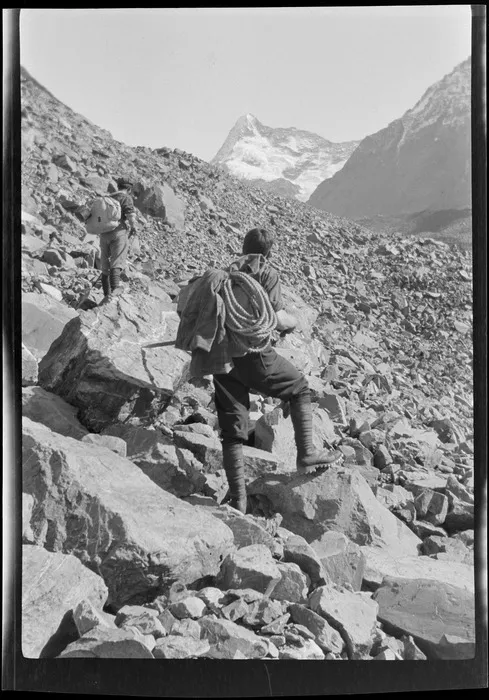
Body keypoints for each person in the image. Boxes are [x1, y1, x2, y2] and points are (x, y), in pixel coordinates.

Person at [176, 227, 342, 514]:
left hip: (222, 359)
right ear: (269, 252)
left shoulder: (225, 276)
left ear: (243, 247)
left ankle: (237, 500)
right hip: (254, 357)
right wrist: (294, 322)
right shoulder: (265, 273)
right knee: (299, 387)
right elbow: (276, 318)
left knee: (231, 430)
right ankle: (307, 455)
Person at [99, 177, 138, 303]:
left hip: (104, 233)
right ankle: (115, 291)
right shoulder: (126, 198)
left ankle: (106, 295)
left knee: (105, 266)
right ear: (129, 188)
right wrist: (134, 227)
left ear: (118, 186)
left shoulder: (108, 198)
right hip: (118, 232)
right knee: (117, 261)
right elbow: (130, 216)